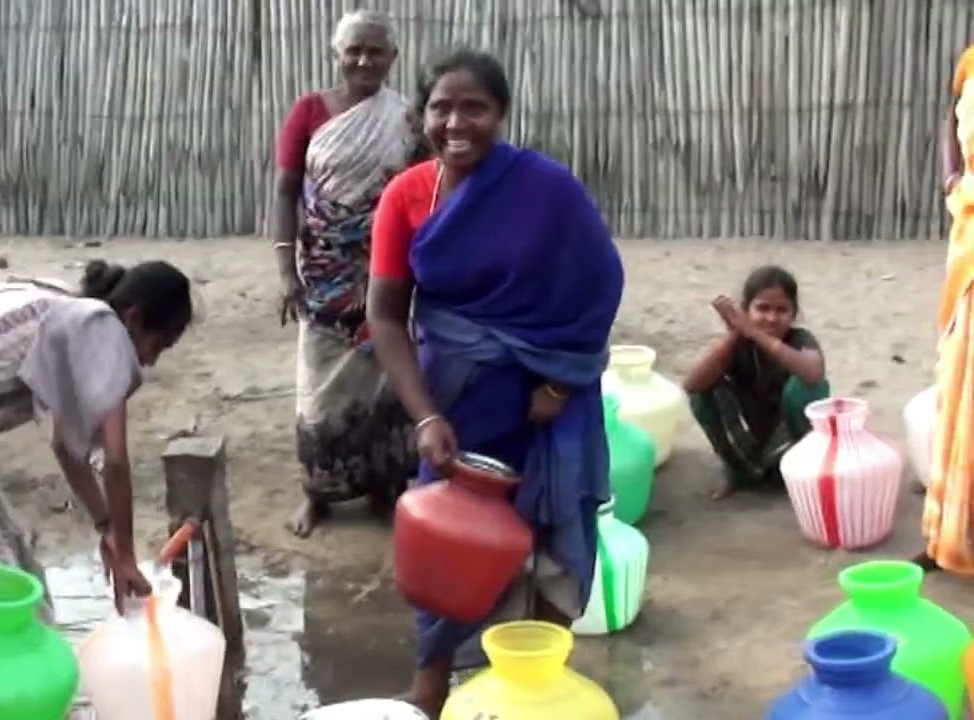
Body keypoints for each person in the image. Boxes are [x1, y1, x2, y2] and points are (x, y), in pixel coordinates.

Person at [366, 50, 623, 716]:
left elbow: (599, 286)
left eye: (474, 106)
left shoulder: (547, 189)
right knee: (444, 546)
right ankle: (430, 691)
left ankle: (537, 688)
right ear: (422, 115)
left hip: (547, 404)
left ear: (501, 114)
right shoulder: (406, 197)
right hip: (455, 403)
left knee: (551, 540)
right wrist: (425, 417)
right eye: (441, 107)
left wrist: (563, 386)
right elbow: (386, 317)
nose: (457, 122)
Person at [0, 260, 194, 611]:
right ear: (134, 318)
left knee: (12, 548)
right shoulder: (104, 329)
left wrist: (107, 528)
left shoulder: (71, 314)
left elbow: (65, 448)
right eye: (158, 345)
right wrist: (126, 555)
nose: (150, 362)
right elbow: (116, 461)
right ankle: (16, 657)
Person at [272, 9, 420, 537]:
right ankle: (318, 493)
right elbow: (287, 189)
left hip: (385, 272)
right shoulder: (309, 111)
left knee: (385, 381)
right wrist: (286, 268)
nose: (363, 59)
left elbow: (421, 193)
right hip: (321, 274)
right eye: (353, 50)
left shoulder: (406, 119)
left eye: (375, 51)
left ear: (392, 59)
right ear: (337, 54)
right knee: (318, 388)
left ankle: (382, 487)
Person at [682, 265, 829, 500]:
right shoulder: (738, 342)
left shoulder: (799, 338)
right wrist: (735, 334)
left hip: (789, 439)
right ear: (745, 310)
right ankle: (737, 470)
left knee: (805, 387)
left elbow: (814, 374)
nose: (771, 318)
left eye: (782, 310)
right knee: (704, 392)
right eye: (762, 308)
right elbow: (691, 385)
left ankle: (804, 471)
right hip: (752, 435)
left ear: (794, 314)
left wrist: (756, 333)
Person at [919, 45, 974, 575]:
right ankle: (949, 533)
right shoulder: (970, 64)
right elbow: (949, 115)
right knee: (959, 385)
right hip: (970, 240)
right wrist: (951, 177)